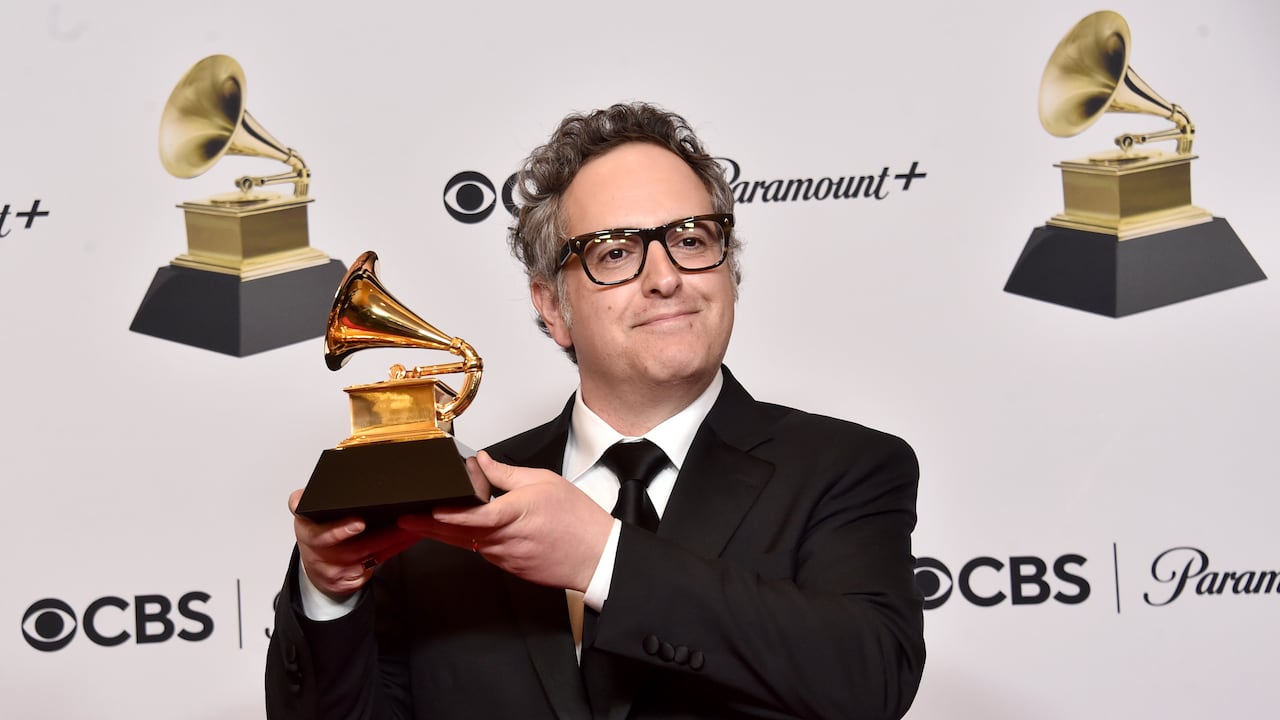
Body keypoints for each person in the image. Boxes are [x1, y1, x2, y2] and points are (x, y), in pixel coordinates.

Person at [265, 102, 925, 719]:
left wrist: (602, 558)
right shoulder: (453, 501)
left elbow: (870, 679)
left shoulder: (848, 469)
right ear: (552, 307)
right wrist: (329, 591)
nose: (666, 276)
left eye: (692, 239)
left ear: (729, 269)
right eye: (615, 251)